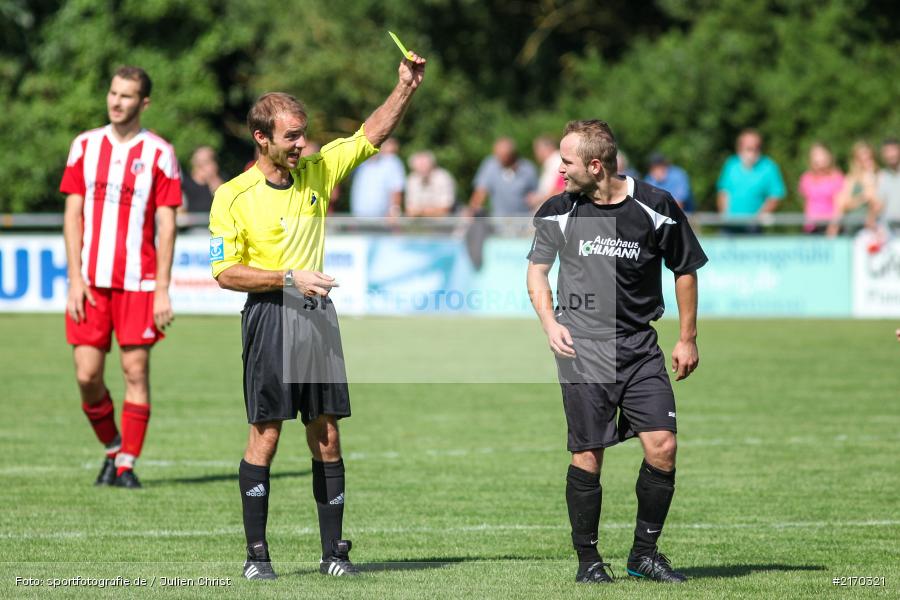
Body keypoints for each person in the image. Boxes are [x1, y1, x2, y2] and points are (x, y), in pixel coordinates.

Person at [208, 52, 426, 581]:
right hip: (268, 317)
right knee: (266, 434)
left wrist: (405, 87)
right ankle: (257, 557)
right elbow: (225, 272)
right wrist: (289, 277)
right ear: (262, 138)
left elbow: (370, 132)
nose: (301, 145)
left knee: (326, 433)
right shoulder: (232, 197)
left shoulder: (317, 169)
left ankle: (334, 554)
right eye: (291, 137)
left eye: (303, 135)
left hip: (316, 317)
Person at [527, 120, 707, 585]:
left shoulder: (657, 206)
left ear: (595, 164)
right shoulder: (558, 210)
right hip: (582, 349)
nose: (559, 170)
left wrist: (687, 337)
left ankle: (643, 554)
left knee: (663, 447)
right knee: (588, 454)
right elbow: (537, 273)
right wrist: (550, 323)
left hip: (640, 346)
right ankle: (588, 561)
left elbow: (684, 269)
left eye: (566, 162)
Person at [60, 66, 181, 489]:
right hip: (91, 282)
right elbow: (73, 215)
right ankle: (113, 447)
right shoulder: (85, 146)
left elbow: (167, 226)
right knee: (87, 375)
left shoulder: (159, 153)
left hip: (138, 282)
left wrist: (163, 288)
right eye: (113, 93)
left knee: (135, 371)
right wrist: (75, 279)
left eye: (127, 96)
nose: (116, 101)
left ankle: (126, 464)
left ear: (143, 103)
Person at [716, 129, 786, 230]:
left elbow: (776, 195)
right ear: (739, 148)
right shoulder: (731, 164)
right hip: (729, 226)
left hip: (753, 227)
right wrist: (724, 216)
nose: (752, 152)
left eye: (756, 148)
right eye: (749, 148)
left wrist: (758, 218)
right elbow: (723, 192)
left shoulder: (769, 166)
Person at [467, 137, 538, 216]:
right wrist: (471, 212)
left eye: (505, 156)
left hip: (523, 220)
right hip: (499, 222)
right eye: (498, 155)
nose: (500, 159)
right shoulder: (490, 165)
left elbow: (536, 195)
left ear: (513, 154)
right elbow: (480, 191)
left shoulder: (528, 168)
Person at [828, 141, 883, 236]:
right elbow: (844, 203)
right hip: (853, 226)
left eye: (869, 158)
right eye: (862, 159)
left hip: (875, 226)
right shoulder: (851, 179)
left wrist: (871, 183)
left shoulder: (881, 176)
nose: (866, 161)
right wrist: (863, 197)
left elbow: (879, 203)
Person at [350, 137, 405, 218]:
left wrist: (394, 212)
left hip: (384, 220)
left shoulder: (391, 161)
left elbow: (397, 189)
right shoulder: (359, 163)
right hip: (358, 218)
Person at [798, 143, 844, 234]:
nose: (819, 158)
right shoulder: (806, 178)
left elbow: (840, 205)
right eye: (815, 155)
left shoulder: (836, 177)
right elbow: (806, 202)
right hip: (811, 227)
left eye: (821, 154)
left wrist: (834, 226)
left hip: (830, 225)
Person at [405, 150, 455, 217]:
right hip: (422, 223)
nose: (422, 168)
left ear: (432, 165)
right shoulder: (412, 179)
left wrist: (420, 212)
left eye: (424, 165)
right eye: (420, 166)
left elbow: (445, 209)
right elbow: (409, 210)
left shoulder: (443, 177)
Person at [181, 146, 226, 216]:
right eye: (201, 163)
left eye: (207, 162)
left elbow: (227, 209)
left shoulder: (221, 183)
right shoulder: (184, 185)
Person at [528, 135, 564, 209]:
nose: (536, 154)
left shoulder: (557, 161)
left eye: (537, 150)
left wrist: (538, 199)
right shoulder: (551, 162)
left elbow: (561, 188)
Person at [878, 137, 900, 228]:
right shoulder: (883, 176)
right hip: (889, 229)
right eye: (887, 151)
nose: (891, 155)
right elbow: (879, 204)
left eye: (893, 150)